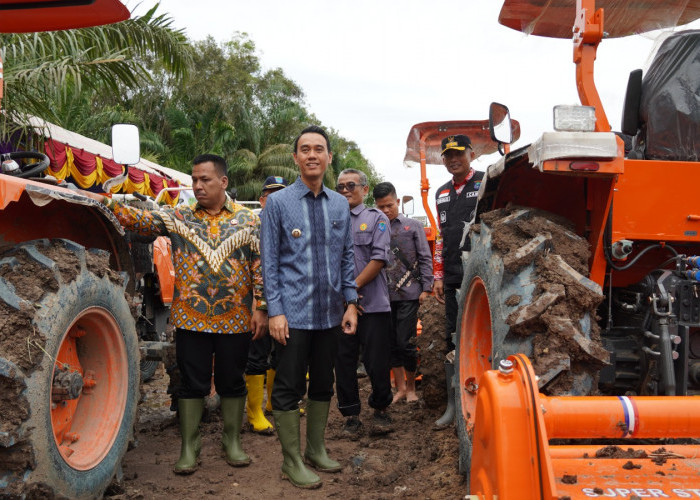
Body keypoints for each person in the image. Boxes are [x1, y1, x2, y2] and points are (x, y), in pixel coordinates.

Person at [99, 154, 267, 474]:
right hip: (191, 318)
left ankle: (231, 442)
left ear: (223, 182)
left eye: (205, 180)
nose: (198, 186)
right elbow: (142, 224)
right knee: (192, 385)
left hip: (236, 320)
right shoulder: (179, 216)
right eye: (195, 180)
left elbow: (260, 268)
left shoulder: (249, 220)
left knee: (232, 382)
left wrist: (261, 308)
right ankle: (190, 446)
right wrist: (110, 202)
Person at [261, 125, 358, 490]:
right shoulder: (280, 203)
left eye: (319, 148)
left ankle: (316, 449)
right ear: (296, 157)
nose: (312, 154)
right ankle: (292, 461)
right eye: (305, 149)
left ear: (329, 157)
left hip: (331, 313)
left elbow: (347, 257)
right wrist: (275, 311)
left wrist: (351, 303)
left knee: (322, 383)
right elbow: (270, 262)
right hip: (293, 314)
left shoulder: (338, 203)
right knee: (287, 387)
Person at [335, 168, 393, 438]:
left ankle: (381, 410)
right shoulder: (331, 220)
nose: (345, 190)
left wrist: (351, 289)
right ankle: (350, 416)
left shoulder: (376, 218)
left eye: (351, 185)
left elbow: (378, 260)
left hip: (373, 305)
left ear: (365, 190)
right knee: (344, 362)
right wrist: (344, 296)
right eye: (340, 187)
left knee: (377, 362)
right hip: (339, 307)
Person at [433, 134, 483, 429]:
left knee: (478, 333)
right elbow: (440, 235)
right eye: (448, 155)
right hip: (452, 276)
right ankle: (454, 406)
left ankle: (482, 401)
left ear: (471, 155)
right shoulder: (441, 192)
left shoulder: (485, 183)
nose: (453, 160)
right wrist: (438, 275)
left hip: (479, 273)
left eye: (458, 154)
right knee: (452, 335)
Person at [373, 182, 433, 403]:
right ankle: (399, 388)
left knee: (405, 342)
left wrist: (426, 288)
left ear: (397, 202)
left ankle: (411, 389)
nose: (386, 210)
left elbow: (425, 257)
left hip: (409, 294)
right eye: (381, 207)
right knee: (389, 343)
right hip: (383, 295)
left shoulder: (412, 226)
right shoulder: (375, 227)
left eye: (389, 205)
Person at [245, 175, 288, 435]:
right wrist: (255, 302)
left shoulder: (289, 222)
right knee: (257, 352)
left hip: (284, 297)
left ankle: (273, 403)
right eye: (269, 194)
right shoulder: (251, 223)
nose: (274, 199)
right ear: (262, 199)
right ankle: (255, 412)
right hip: (257, 299)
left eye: (279, 194)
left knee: (280, 349)